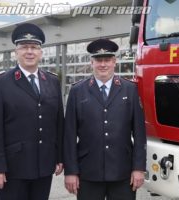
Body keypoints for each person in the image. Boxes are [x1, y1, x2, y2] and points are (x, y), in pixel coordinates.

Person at [0, 23, 64, 200]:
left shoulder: (52, 82)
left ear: (41, 52)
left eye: (34, 47)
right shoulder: (0, 83)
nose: (29, 51)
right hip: (13, 169)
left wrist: (59, 157)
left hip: (44, 166)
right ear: (16, 52)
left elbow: (58, 124)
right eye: (24, 47)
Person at [63, 38, 147, 200]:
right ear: (91, 62)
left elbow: (139, 132)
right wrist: (71, 171)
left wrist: (138, 168)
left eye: (107, 60)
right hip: (88, 172)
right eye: (98, 60)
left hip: (122, 172)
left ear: (114, 62)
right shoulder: (77, 91)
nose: (103, 64)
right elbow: (69, 135)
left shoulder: (130, 90)